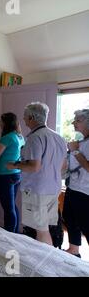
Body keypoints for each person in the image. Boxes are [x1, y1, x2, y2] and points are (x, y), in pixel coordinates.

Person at [6, 102, 67, 245]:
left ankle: (45, 261)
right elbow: (63, 166)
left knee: (41, 230)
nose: (23, 119)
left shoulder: (35, 137)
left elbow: (34, 166)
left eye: (25, 117)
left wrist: (13, 165)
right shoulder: (58, 137)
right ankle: (50, 256)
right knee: (48, 227)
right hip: (54, 188)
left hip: (37, 190)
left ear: (32, 117)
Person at [0, 113, 25, 233]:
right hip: (16, 174)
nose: (0, 123)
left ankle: (10, 234)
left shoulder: (7, 137)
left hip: (5, 175)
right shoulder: (19, 137)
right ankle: (15, 232)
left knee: (8, 208)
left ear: (6, 123)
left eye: (1, 121)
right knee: (12, 206)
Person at [62, 109, 89, 258]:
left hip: (85, 191)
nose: (73, 122)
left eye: (77, 120)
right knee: (69, 217)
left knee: (86, 224)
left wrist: (76, 151)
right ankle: (74, 250)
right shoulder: (82, 141)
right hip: (73, 187)